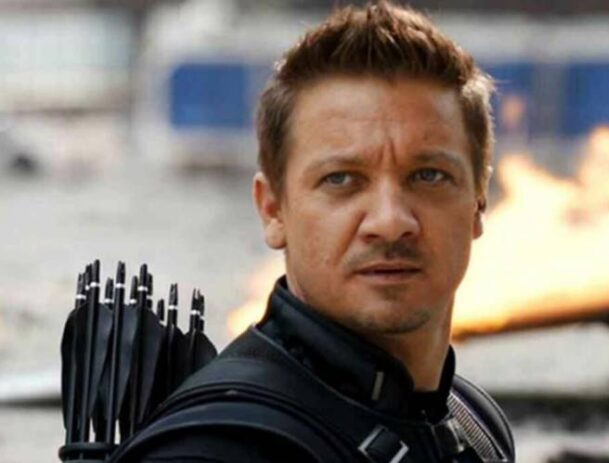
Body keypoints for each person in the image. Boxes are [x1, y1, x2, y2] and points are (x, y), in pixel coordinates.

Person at [113, 1, 515, 461]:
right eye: (341, 179)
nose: (390, 221)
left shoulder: (471, 423)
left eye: (428, 176)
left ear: (478, 202)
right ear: (272, 210)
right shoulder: (219, 449)